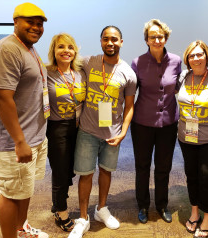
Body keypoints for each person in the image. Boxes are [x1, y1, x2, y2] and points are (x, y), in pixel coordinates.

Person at [0, 2, 49, 238]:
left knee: (23, 188)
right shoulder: (5, 50)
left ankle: (22, 228)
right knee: (11, 193)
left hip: (34, 135)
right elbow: (2, 99)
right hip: (12, 141)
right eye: (30, 21)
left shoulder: (28, 48)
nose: (36, 27)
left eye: (40, 24)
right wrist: (20, 141)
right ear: (15, 21)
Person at [68, 26, 137, 238]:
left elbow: (129, 106)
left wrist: (124, 132)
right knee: (86, 174)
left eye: (114, 39)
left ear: (121, 42)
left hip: (112, 133)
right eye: (106, 39)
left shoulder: (129, 73)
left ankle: (101, 209)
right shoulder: (88, 62)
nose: (110, 43)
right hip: (88, 130)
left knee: (106, 171)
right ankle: (83, 218)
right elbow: (64, 64)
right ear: (100, 41)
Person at [130, 19, 181, 224]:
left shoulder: (177, 61)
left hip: (168, 124)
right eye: (153, 37)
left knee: (163, 167)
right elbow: (130, 93)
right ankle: (142, 205)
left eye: (160, 36)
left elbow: (177, 87)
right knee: (142, 166)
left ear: (166, 37)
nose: (157, 40)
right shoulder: (138, 62)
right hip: (142, 122)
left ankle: (162, 205)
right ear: (147, 40)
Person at [177, 40, 208, 238]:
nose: (196, 58)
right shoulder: (183, 76)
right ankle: (195, 212)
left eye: (200, 54)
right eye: (192, 55)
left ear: (207, 56)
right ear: (187, 59)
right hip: (186, 137)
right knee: (192, 175)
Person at [46, 33, 86, 232]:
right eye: (61, 47)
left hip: (78, 127)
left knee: (70, 169)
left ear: (75, 51)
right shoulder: (46, 73)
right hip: (57, 128)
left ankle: (60, 202)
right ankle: (60, 210)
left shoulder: (79, 73)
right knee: (60, 171)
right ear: (54, 50)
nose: (66, 51)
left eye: (70, 47)